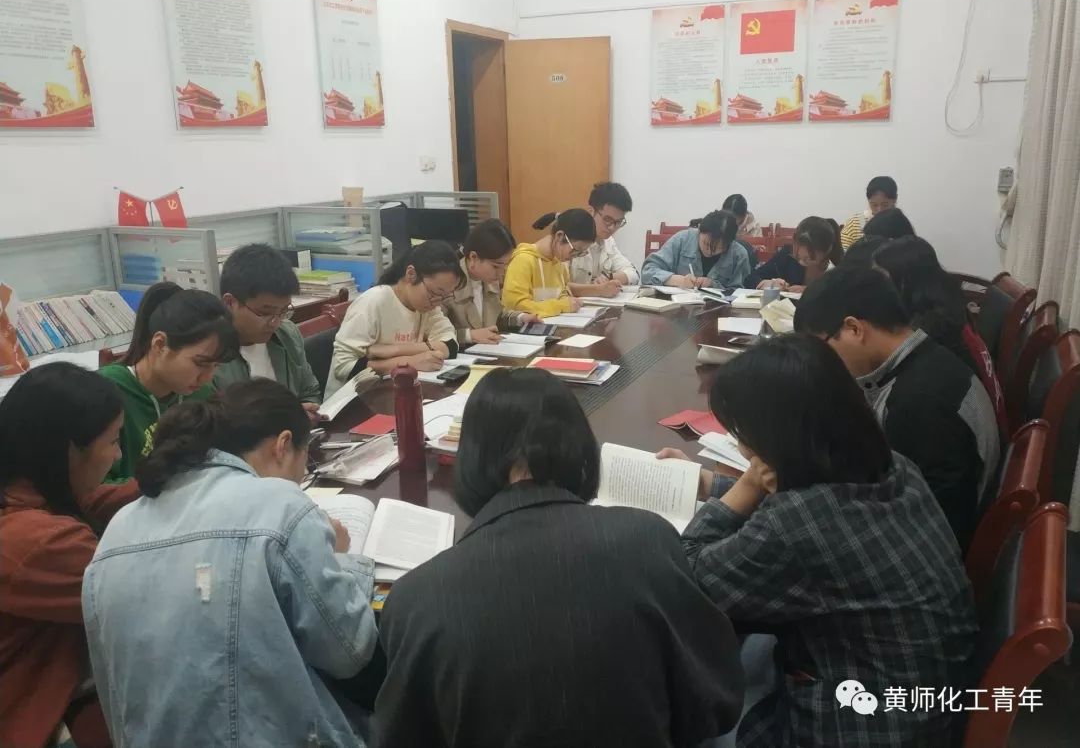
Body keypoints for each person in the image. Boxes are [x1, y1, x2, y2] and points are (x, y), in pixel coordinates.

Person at [376, 368, 744, 748]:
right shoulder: (649, 538)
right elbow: (715, 704)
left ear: (468, 460)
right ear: (581, 449)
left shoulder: (414, 600)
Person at [664, 335, 976, 747]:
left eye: (741, 432)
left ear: (775, 436)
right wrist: (716, 485)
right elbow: (802, 509)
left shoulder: (799, 524)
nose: (741, 446)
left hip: (860, 728)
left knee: (677, 707)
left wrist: (746, 485)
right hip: (921, 701)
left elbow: (688, 581)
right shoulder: (892, 466)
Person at [83, 379, 380, 747]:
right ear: (283, 445)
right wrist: (342, 559)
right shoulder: (280, 503)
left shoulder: (115, 532)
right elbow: (350, 652)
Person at [794, 267, 1000, 553]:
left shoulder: (919, 404)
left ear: (854, 329)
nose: (822, 363)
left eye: (821, 350)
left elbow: (927, 528)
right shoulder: (924, 360)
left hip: (927, 549)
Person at [0, 363, 139, 748]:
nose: (118, 456)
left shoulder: (21, 492)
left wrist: (164, 475)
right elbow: (144, 598)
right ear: (70, 449)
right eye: (113, 441)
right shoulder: (42, 544)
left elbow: (91, 501)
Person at [100, 282, 239, 483]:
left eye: (216, 365)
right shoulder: (107, 391)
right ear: (160, 344)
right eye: (200, 363)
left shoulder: (202, 395)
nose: (207, 377)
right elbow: (91, 489)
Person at [873, 236, 1007, 433]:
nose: (876, 289)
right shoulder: (945, 305)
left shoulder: (930, 330)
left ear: (905, 282)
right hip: (981, 420)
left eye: (881, 279)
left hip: (966, 425)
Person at [326, 240, 463, 397]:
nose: (437, 302)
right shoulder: (374, 302)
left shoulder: (427, 306)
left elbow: (451, 345)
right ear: (411, 274)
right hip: (353, 400)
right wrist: (410, 362)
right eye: (434, 293)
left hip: (393, 392)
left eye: (444, 297)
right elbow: (343, 367)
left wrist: (392, 350)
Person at [213, 243, 324, 420]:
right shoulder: (209, 355)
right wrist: (286, 419)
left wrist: (306, 412)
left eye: (284, 311)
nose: (275, 322)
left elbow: (310, 392)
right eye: (264, 313)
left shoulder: (287, 334)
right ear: (230, 303)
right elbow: (211, 423)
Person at [444, 219, 537, 345]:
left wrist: (521, 318)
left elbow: (495, 316)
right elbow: (433, 335)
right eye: (496, 266)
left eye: (504, 266)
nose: (501, 273)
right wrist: (469, 335)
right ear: (473, 258)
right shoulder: (445, 284)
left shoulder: (488, 280)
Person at [502, 209, 592, 317]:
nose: (574, 256)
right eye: (575, 250)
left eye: (580, 253)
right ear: (559, 236)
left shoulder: (559, 263)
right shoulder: (523, 260)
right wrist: (561, 306)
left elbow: (562, 294)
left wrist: (570, 301)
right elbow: (515, 306)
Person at [641, 209, 750, 289]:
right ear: (699, 231)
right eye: (705, 244)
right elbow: (648, 270)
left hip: (720, 310)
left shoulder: (738, 254)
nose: (709, 251)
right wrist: (677, 280)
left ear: (730, 243)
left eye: (718, 248)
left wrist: (712, 285)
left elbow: (740, 293)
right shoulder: (682, 239)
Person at [568, 181, 640, 298]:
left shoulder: (608, 241)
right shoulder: (569, 239)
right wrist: (597, 289)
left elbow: (633, 273)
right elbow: (558, 286)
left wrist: (608, 278)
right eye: (607, 220)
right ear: (591, 211)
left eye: (618, 222)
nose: (612, 228)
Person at [744, 216, 842, 291]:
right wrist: (768, 284)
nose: (801, 262)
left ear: (826, 252)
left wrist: (811, 291)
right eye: (798, 257)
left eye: (808, 259)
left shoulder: (837, 266)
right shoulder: (788, 255)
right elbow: (751, 278)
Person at [841, 175, 898, 250]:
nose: (879, 210)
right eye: (874, 205)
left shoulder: (901, 224)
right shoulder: (854, 224)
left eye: (885, 205)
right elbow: (843, 254)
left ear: (895, 200)